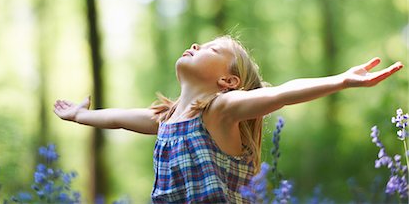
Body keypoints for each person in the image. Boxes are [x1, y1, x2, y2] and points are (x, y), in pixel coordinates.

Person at [54, 35, 403, 203]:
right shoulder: (167, 117)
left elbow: (280, 93)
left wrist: (341, 79)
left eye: (211, 49)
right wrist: (80, 115)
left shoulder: (220, 110)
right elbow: (118, 118)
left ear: (228, 82)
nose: (195, 46)